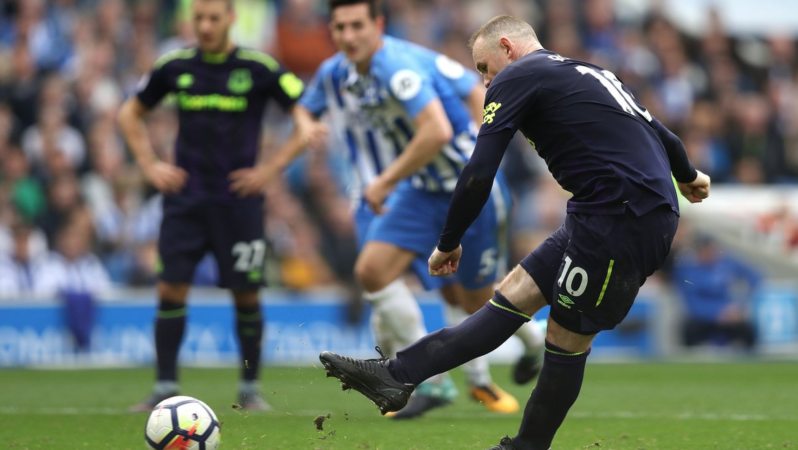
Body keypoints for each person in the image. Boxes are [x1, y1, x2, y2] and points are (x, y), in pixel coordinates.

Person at [319, 14, 711, 449]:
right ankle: (397, 376)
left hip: (622, 219)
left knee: (565, 339)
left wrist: (448, 241)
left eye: (484, 68)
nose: (485, 83)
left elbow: (478, 171)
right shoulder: (590, 71)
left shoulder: (519, 74)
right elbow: (665, 136)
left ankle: (526, 447)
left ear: (507, 47)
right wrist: (690, 175)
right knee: (512, 294)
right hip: (604, 212)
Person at [262, 0, 545, 419]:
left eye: (357, 26)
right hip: (417, 188)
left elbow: (439, 127)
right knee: (371, 271)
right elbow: (305, 106)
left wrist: (481, 149)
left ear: (377, 25)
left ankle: (532, 341)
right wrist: (296, 135)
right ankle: (433, 381)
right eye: (339, 27)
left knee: (473, 300)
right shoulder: (337, 71)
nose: (348, 36)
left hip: (464, 190)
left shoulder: (398, 67)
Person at [117, 0, 309, 412]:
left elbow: (305, 117)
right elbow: (129, 113)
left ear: (230, 19)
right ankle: (165, 385)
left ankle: (249, 390)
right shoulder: (174, 66)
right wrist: (150, 164)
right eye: (199, 18)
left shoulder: (259, 68)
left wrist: (270, 168)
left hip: (238, 202)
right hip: (186, 200)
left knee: (246, 294)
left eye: (213, 18)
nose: (204, 26)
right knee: (170, 288)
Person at [672, 234, 759, 351]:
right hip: (704, 318)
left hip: (730, 315)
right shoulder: (688, 270)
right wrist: (718, 313)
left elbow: (754, 277)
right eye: (706, 250)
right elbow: (692, 302)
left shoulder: (728, 263)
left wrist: (739, 306)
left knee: (748, 328)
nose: (711, 254)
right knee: (689, 328)